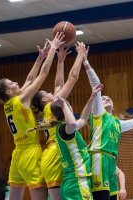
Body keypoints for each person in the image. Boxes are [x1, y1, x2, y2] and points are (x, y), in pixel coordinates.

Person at [0, 32, 64, 200]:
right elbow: (42, 75)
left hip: (17, 155)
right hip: (30, 152)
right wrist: (53, 50)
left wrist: (40, 57)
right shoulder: (21, 100)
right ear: (9, 91)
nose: (17, 83)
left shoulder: (9, 104)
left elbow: (29, 78)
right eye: (13, 83)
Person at [82, 53, 133, 200]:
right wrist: (85, 61)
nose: (105, 99)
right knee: (100, 196)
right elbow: (96, 84)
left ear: (113, 105)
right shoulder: (98, 113)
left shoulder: (117, 123)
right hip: (98, 156)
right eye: (102, 98)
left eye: (108, 98)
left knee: (113, 197)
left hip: (111, 162)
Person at [31, 42, 87, 200]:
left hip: (53, 153)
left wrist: (61, 61)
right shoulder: (54, 105)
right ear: (44, 99)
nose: (52, 92)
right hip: (56, 154)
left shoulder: (50, 109)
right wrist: (81, 55)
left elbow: (58, 83)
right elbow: (73, 77)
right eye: (47, 92)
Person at [46, 83, 103, 200]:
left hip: (74, 181)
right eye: (68, 105)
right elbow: (72, 123)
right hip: (77, 180)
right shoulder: (65, 129)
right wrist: (64, 105)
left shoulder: (65, 129)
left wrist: (92, 97)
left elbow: (83, 118)